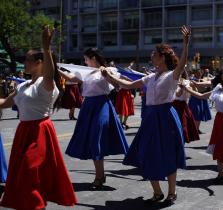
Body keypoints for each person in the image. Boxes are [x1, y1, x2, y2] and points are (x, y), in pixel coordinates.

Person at [101, 25, 191, 206]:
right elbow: (128, 85)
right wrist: (109, 78)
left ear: (162, 57)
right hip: (151, 117)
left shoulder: (171, 76)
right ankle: (157, 192)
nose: (151, 56)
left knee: (168, 154)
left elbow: (181, 64)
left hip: (166, 116)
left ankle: (171, 192)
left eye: (153, 53)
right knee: (148, 153)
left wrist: (186, 43)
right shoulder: (151, 77)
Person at [0, 26, 77, 210]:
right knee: (26, 176)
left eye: (27, 60)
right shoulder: (24, 85)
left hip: (40, 132)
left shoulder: (46, 84)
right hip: (23, 132)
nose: (24, 63)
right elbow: (3, 102)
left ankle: (36, 206)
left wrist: (46, 46)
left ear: (40, 62)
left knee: (29, 170)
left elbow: (50, 74)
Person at [59, 48, 129, 189]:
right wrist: (56, 68)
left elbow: (117, 86)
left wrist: (107, 75)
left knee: (97, 136)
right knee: (92, 139)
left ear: (93, 58)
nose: (84, 61)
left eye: (86, 58)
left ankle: (99, 176)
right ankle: (100, 175)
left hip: (102, 104)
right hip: (88, 106)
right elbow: (71, 78)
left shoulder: (108, 69)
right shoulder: (84, 71)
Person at [172, 71, 200, 143]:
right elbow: (177, 94)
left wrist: (193, 86)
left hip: (183, 107)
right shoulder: (173, 82)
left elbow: (195, 92)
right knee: (173, 128)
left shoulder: (187, 82)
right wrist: (181, 88)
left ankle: (180, 144)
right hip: (173, 106)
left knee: (183, 128)